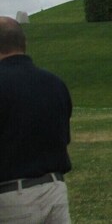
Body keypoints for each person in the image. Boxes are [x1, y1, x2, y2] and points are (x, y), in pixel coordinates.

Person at [0, 16, 73, 223]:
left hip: (11, 198)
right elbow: (63, 137)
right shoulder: (56, 83)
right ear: (24, 44)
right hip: (55, 190)